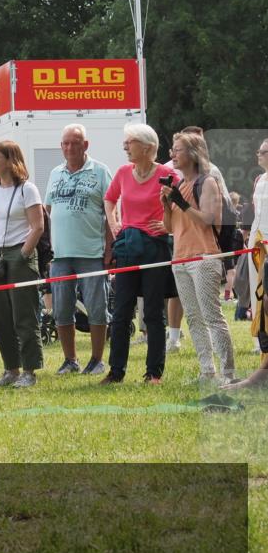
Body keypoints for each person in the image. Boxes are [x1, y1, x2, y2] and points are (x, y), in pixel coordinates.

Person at [103, 123, 177, 385]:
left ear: (147, 147)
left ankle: (154, 372)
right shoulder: (123, 172)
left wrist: (168, 225)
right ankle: (116, 372)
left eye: (130, 142)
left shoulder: (167, 173)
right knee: (121, 311)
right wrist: (113, 222)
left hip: (154, 248)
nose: (125, 147)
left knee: (153, 313)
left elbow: (179, 205)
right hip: (127, 247)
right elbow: (109, 198)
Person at [160, 132, 235, 383]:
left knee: (212, 316)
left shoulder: (208, 182)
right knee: (193, 318)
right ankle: (207, 371)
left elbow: (208, 219)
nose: (173, 154)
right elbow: (169, 228)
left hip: (203, 257)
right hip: (180, 258)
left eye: (178, 150)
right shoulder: (180, 185)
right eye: (173, 149)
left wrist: (180, 203)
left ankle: (228, 373)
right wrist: (165, 204)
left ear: (193, 154)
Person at [44, 124, 114, 376]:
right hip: (61, 255)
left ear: (86, 145)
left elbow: (110, 213)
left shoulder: (100, 171)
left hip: (92, 254)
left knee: (97, 307)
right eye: (65, 143)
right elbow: (50, 208)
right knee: (61, 309)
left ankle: (97, 360)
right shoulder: (55, 173)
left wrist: (109, 247)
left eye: (75, 143)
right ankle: (70, 360)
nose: (69, 148)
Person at [0, 141, 44, 388]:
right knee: (0, 315)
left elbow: (38, 226)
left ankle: (29, 370)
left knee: (23, 316)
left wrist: (24, 253)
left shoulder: (28, 189)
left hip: (19, 253)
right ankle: (11, 370)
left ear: (9, 160)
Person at [247, 138, 268, 352]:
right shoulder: (259, 179)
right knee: (256, 289)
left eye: (262, 151)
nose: (258, 155)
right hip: (256, 240)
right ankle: (259, 338)